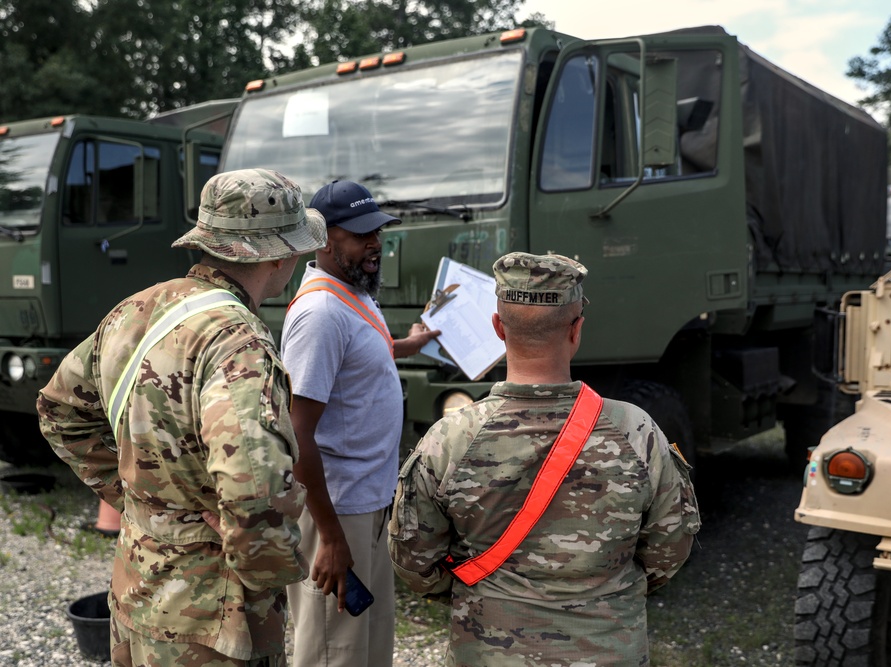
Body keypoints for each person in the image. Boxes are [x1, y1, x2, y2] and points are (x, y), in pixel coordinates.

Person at [36, 168, 326, 666]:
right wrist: (272, 570)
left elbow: (59, 410)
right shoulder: (241, 342)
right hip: (213, 622)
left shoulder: (138, 308)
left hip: (136, 592)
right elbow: (254, 488)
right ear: (277, 254)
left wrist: (140, 499)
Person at [387, 251, 701, 666]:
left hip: (489, 651)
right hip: (608, 650)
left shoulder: (451, 438)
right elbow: (669, 550)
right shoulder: (636, 431)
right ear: (577, 330)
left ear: (498, 328)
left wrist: (474, 586)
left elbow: (414, 559)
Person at [280, 180, 439, 667]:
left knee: (368, 648)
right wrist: (330, 538)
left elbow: (358, 356)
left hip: (366, 503)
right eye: (361, 234)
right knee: (334, 651)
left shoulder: (352, 293)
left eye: (378, 232)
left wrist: (407, 344)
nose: (376, 244)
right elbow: (297, 433)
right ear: (326, 241)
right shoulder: (321, 314)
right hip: (337, 511)